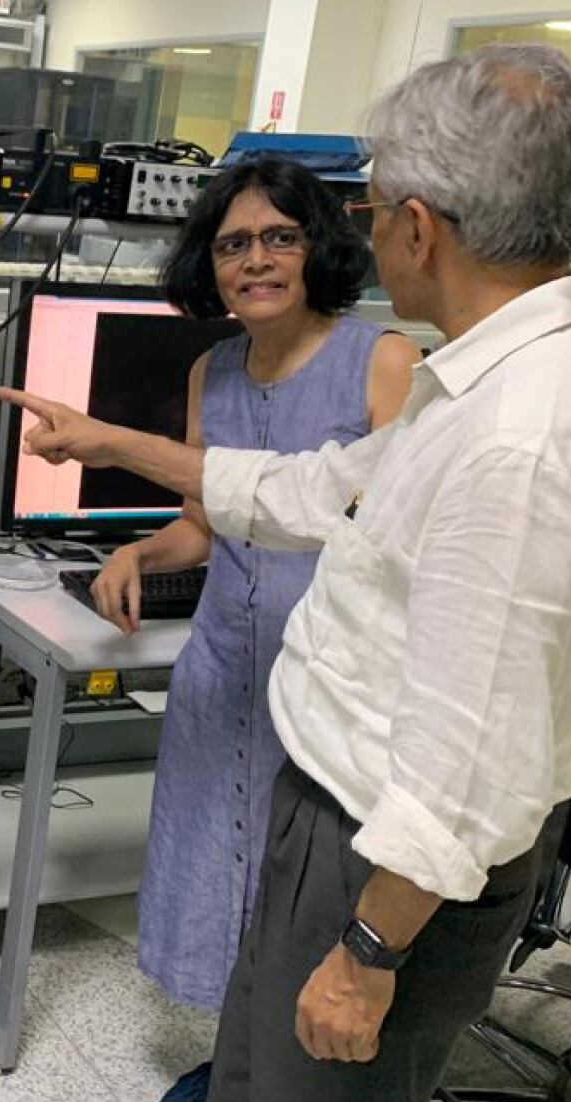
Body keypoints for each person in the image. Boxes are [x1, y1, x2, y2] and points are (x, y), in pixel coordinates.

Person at [0, 44, 571, 1102]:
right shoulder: (472, 385)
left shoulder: (521, 436)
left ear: (419, 226)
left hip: (380, 861)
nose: (370, 228)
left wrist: (367, 953)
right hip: (332, 815)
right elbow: (310, 489)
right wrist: (109, 442)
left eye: (372, 205)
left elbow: (467, 756)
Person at [87, 158, 415, 1017]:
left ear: (318, 248)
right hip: (226, 667)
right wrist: (137, 555)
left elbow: (395, 537)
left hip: (327, 689)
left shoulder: (382, 361)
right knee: (210, 866)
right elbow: (205, 522)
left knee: (307, 896)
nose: (256, 261)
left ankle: (283, 1063)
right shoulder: (214, 370)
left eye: (280, 238)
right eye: (234, 245)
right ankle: (234, 1061)